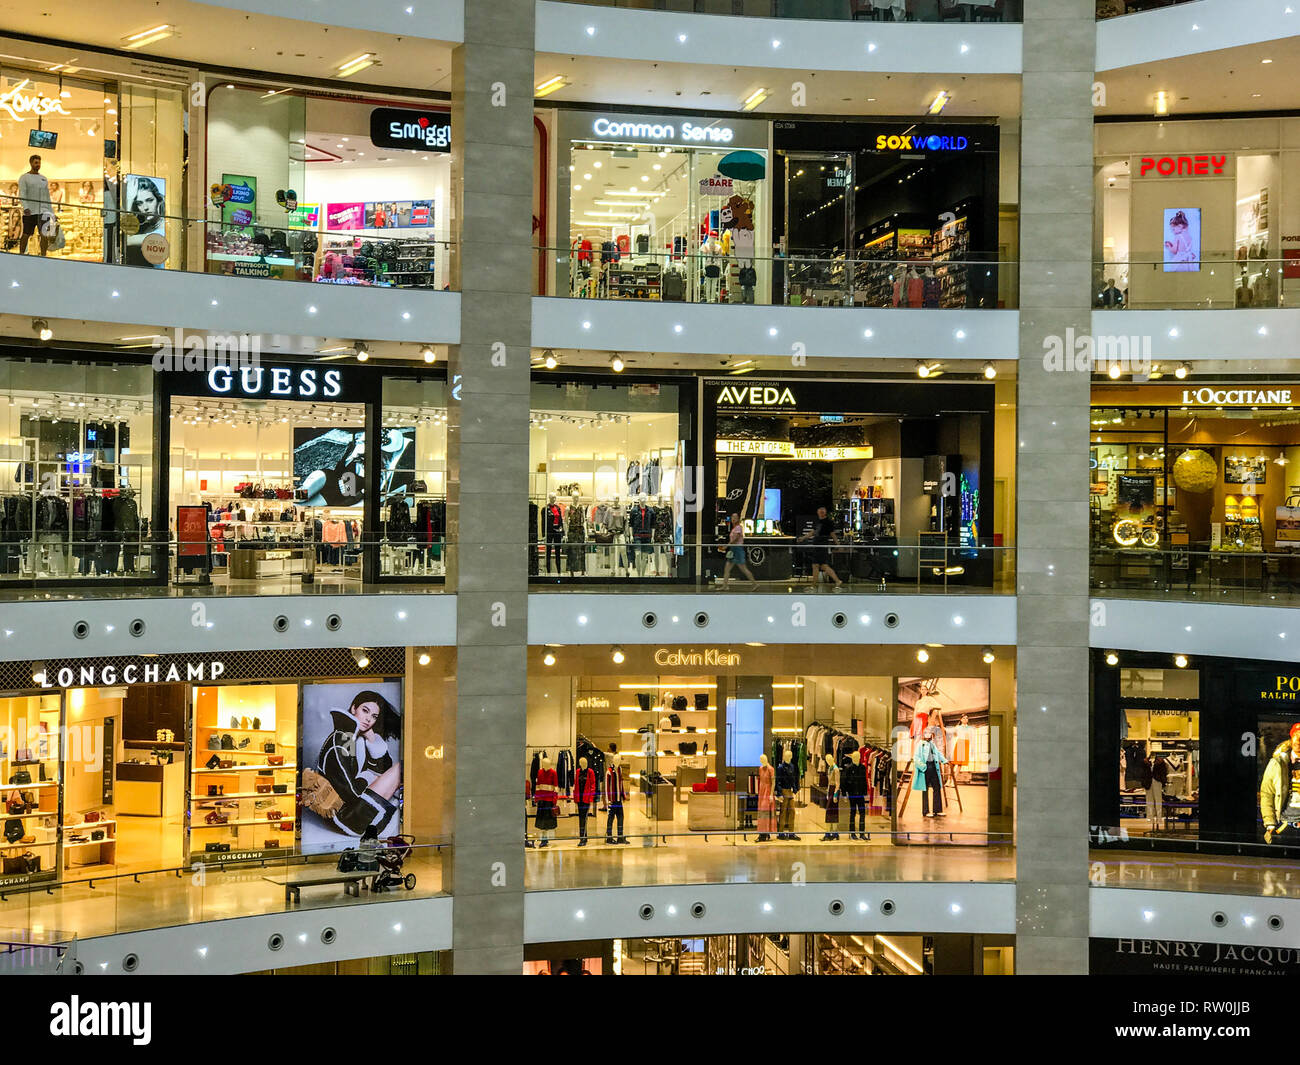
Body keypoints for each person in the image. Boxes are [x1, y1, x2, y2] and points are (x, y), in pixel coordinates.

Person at [316, 689, 402, 839]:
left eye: (374, 716)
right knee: (401, 768)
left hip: (354, 809)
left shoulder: (356, 739)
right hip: (347, 818)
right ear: (353, 708)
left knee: (399, 769)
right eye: (365, 710)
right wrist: (368, 778)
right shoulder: (342, 741)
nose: (368, 719)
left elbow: (384, 770)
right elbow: (351, 793)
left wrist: (373, 740)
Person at [301, 431, 366, 507]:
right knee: (298, 497)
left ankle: (285, 497)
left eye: (362, 442)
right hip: (326, 478)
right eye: (358, 440)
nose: (359, 442)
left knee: (301, 505)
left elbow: (354, 498)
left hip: (334, 496)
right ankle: (283, 494)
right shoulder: (352, 453)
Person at [1261, 723, 1300, 844]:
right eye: (1296, 735)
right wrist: (1270, 824)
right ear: (1291, 736)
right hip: (1283, 826)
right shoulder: (1277, 763)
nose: (1298, 740)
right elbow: (1267, 793)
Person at [798, 505, 843, 588]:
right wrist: (803, 538)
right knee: (821, 565)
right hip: (818, 545)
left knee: (817, 565)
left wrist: (838, 544)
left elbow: (832, 534)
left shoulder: (827, 522)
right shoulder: (819, 522)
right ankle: (836, 581)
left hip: (821, 546)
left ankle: (815, 585)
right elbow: (813, 532)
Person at [124, 176, 165, 267]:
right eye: (139, 203)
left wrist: (129, 200)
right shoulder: (147, 226)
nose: (145, 208)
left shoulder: (162, 231)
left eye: (149, 200)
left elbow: (125, 240)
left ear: (158, 200)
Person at [18, 155, 51, 256]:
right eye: (36, 163)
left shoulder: (44, 179)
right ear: (31, 163)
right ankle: (21, 254)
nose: (38, 165)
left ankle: (43, 255)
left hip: (43, 212)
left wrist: (50, 210)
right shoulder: (24, 178)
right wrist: (26, 207)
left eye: (39, 163)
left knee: (44, 235)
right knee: (26, 234)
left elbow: (47, 196)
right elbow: (22, 194)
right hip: (30, 212)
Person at [913, 726, 947, 818]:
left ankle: (938, 810)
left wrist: (944, 760)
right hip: (925, 768)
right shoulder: (920, 744)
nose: (928, 735)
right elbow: (916, 758)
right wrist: (923, 767)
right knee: (925, 789)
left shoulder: (932, 744)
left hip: (934, 767)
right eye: (926, 733)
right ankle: (926, 811)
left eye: (929, 733)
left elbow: (938, 753)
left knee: (937, 787)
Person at [719, 512, 758, 588]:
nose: (733, 519)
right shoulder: (734, 528)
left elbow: (735, 539)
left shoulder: (738, 528)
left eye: (735, 517)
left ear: (738, 519)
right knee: (727, 569)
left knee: (744, 569)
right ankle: (724, 586)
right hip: (733, 550)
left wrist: (726, 546)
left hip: (738, 550)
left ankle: (755, 584)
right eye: (732, 517)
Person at [1141, 745, 1168, 831]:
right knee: (1149, 800)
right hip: (1148, 782)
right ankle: (1150, 818)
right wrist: (1143, 782)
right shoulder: (1145, 761)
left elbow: (1164, 772)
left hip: (1157, 781)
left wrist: (1162, 781)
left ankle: (1159, 818)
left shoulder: (1160, 761)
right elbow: (1142, 773)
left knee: (1158, 800)